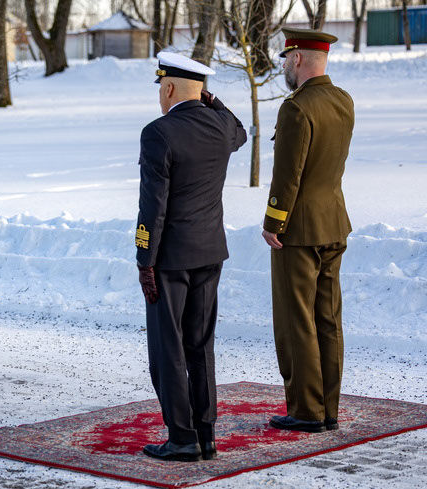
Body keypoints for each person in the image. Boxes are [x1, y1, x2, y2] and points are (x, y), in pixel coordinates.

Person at [136, 52, 246, 461]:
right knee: (200, 344)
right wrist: (209, 100)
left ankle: (182, 438)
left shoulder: (159, 133)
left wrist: (144, 258)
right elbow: (240, 131)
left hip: (170, 258)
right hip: (210, 251)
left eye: (160, 90)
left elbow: (153, 207)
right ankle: (207, 432)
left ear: (167, 88)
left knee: (170, 348)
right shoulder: (220, 127)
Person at [262, 28, 354, 433]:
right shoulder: (342, 100)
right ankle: (328, 408)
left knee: (297, 320)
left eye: (286, 58)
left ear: (298, 58)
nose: (284, 64)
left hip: (298, 230)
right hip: (334, 221)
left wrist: (273, 222)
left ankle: (305, 411)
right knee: (328, 319)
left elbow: (288, 176)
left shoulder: (296, 108)